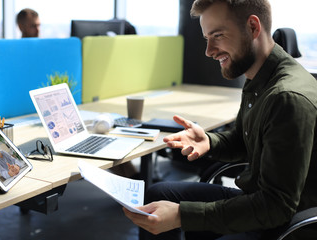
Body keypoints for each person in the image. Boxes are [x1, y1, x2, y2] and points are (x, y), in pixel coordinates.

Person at [123, 0, 317, 239]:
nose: (209, 50)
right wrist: (209, 141)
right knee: (160, 194)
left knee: (181, 215)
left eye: (218, 35)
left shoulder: (286, 98)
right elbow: (242, 140)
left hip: (281, 224)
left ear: (253, 28)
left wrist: (185, 215)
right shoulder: (258, 75)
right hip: (258, 200)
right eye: (207, 38)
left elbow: (276, 207)